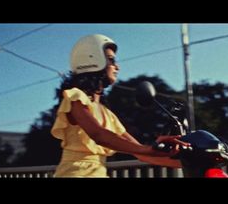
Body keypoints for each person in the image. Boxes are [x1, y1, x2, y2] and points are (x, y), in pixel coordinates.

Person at [51, 34, 189, 177]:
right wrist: (149, 148)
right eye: (111, 60)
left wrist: (194, 163)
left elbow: (141, 153)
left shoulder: (108, 115)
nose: (117, 66)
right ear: (92, 60)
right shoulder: (75, 97)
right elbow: (98, 134)